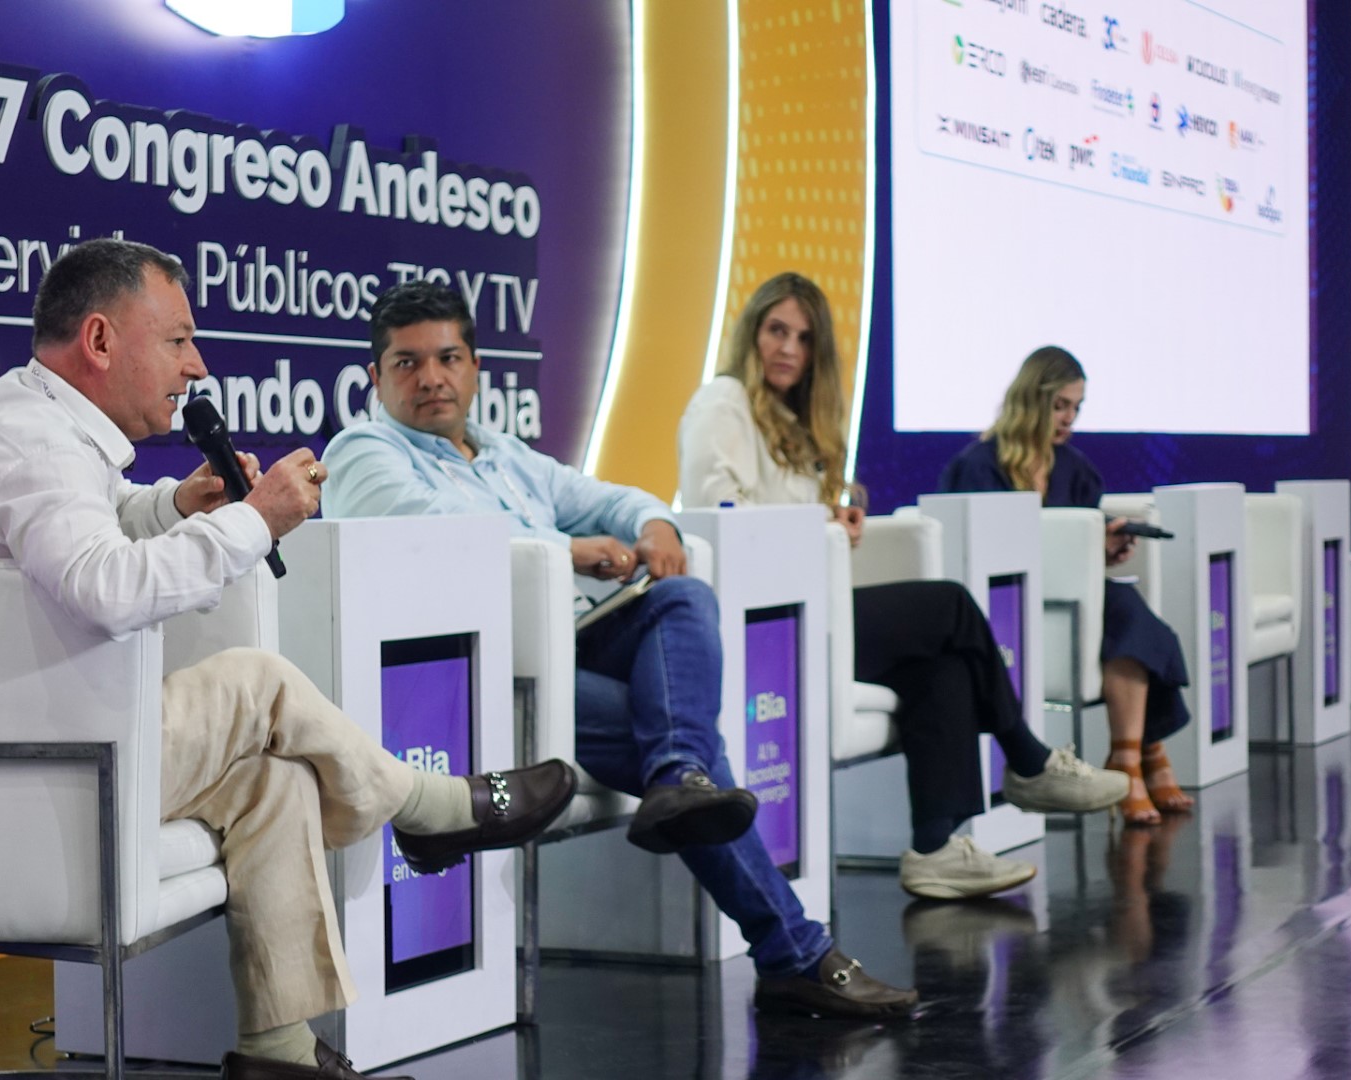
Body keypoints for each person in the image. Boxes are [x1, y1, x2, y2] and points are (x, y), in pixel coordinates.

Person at [0, 239, 578, 1080]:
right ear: (101, 340)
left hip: (69, 737)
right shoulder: (32, 442)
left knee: (276, 783)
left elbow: (91, 526)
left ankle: (281, 1054)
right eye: (178, 340)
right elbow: (104, 587)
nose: (196, 365)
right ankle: (427, 805)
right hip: (31, 764)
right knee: (258, 680)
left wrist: (175, 505)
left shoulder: (40, 424)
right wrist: (254, 519)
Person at [321, 280, 919, 1020]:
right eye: (407, 363)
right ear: (376, 378)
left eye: (447, 358)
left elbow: (608, 498)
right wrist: (567, 549)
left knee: (683, 596)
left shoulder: (503, 453)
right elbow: (438, 534)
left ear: (475, 367)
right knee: (680, 749)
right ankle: (792, 945)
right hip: (487, 675)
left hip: (576, 640)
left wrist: (654, 525)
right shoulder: (364, 451)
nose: (431, 378)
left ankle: (686, 785)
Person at [676, 272, 1127, 900]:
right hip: (759, 624)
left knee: (941, 665)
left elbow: (788, 522)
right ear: (752, 334)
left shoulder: (795, 420)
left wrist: (831, 521)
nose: (787, 348)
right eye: (776, 331)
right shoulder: (722, 403)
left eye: (803, 338)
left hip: (809, 609)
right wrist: (822, 527)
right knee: (949, 606)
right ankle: (1028, 758)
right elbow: (720, 519)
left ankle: (936, 848)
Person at [940, 346, 1196, 827]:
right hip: (1008, 603)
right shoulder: (979, 465)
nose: (1069, 419)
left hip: (1071, 599)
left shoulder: (1075, 467)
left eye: (1076, 408)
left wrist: (1104, 549)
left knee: (1125, 607)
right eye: (1060, 405)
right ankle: (1143, 753)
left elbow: (1077, 547)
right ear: (1031, 399)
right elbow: (979, 549)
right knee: (1128, 611)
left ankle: (1131, 755)